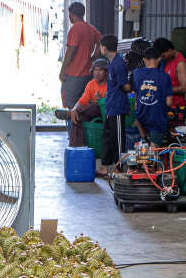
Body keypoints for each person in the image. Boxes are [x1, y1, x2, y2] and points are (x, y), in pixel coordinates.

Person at [58, 2, 102, 125]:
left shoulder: (75, 29)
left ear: (71, 14)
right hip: (87, 75)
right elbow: (100, 42)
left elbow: (71, 51)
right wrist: (93, 58)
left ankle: (73, 137)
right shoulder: (90, 28)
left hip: (73, 75)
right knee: (82, 106)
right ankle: (81, 136)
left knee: (71, 108)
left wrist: (62, 71)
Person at [99, 35, 133, 175]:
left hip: (118, 107)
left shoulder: (118, 63)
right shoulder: (112, 62)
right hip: (110, 106)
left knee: (118, 138)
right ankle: (106, 166)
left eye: (100, 46)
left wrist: (130, 87)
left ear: (104, 48)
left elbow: (125, 86)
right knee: (108, 136)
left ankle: (118, 167)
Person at [132, 47, 173, 146]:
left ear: (144, 59)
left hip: (141, 115)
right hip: (157, 118)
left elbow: (136, 93)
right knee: (153, 152)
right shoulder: (165, 77)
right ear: (159, 59)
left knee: (137, 119)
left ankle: (144, 140)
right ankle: (151, 149)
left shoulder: (136, 73)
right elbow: (169, 102)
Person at [64, 58, 106, 147]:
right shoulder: (91, 84)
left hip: (103, 113)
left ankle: (70, 113)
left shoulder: (110, 84)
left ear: (106, 72)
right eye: (95, 70)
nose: (97, 73)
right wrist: (75, 109)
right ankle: (75, 147)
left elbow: (106, 106)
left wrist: (100, 100)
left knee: (95, 106)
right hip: (90, 113)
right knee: (76, 118)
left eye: (100, 70)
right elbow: (82, 101)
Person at [153, 37, 186, 128]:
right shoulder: (166, 61)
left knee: (173, 138)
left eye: (163, 55)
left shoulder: (180, 63)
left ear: (170, 50)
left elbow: (184, 88)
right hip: (165, 105)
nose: (162, 58)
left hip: (176, 107)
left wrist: (164, 90)